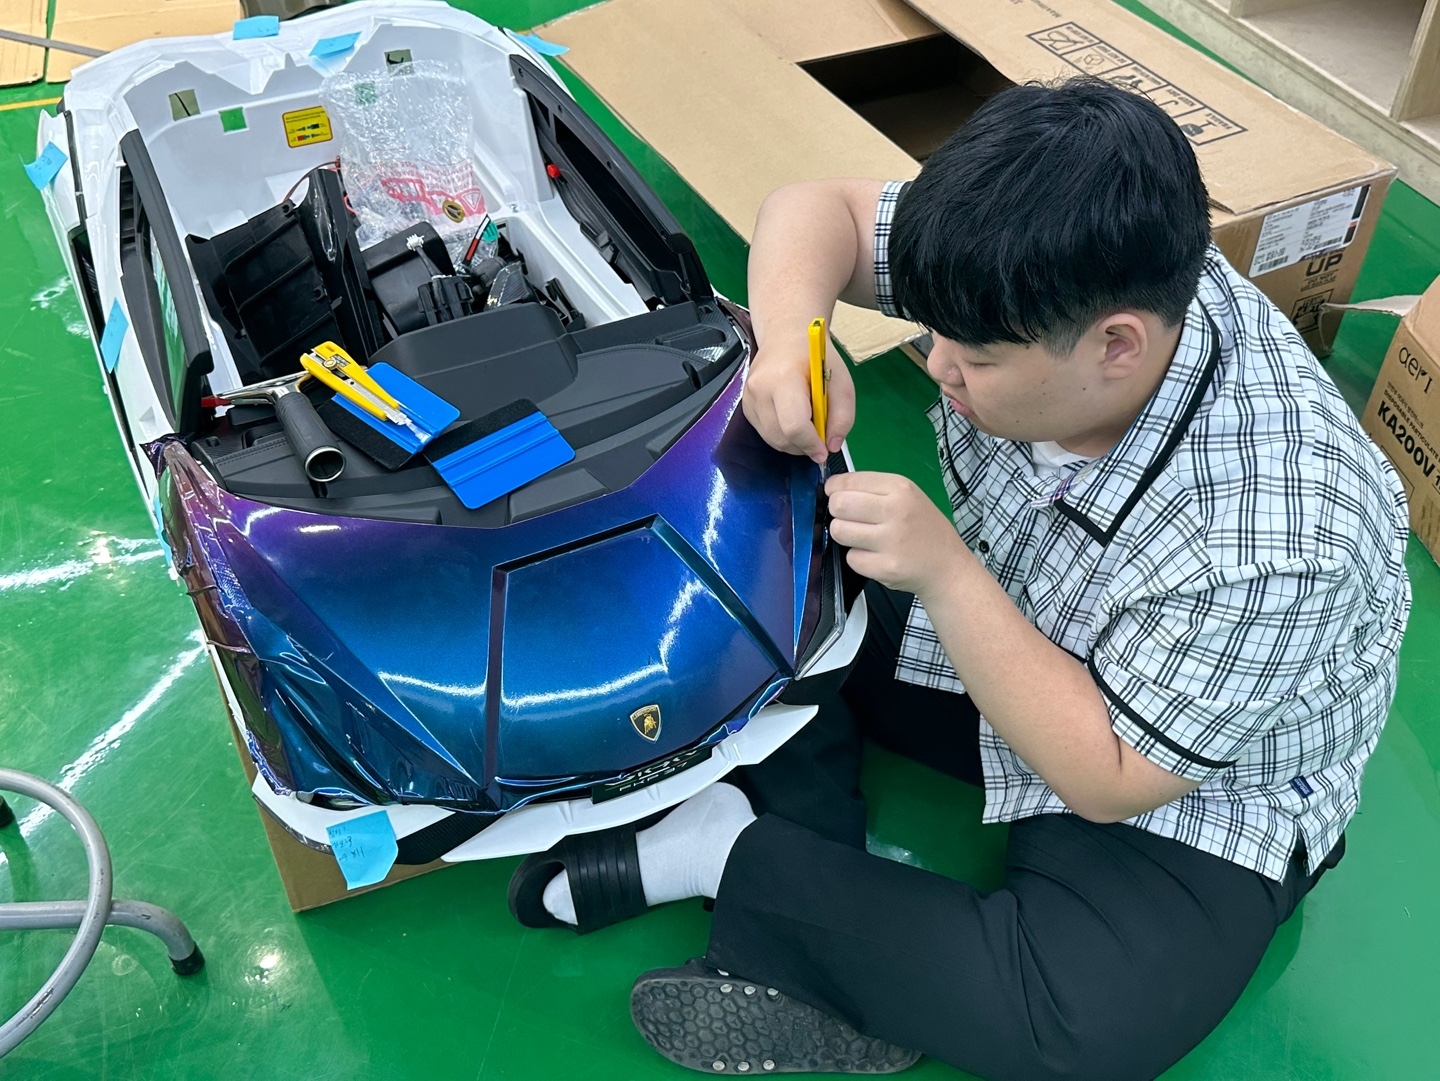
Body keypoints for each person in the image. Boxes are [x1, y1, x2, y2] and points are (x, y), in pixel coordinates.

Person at [505, 76, 1411, 1080]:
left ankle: (733, 854)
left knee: (1081, 1025)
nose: (935, 363)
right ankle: (805, 848)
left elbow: (1110, 776)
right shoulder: (1041, 263)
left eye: (972, 357)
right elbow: (820, 210)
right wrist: (791, 343)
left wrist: (944, 575)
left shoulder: (1282, 532)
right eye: (933, 332)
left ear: (1116, 346)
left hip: (1180, 781)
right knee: (770, 583)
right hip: (1026, 625)